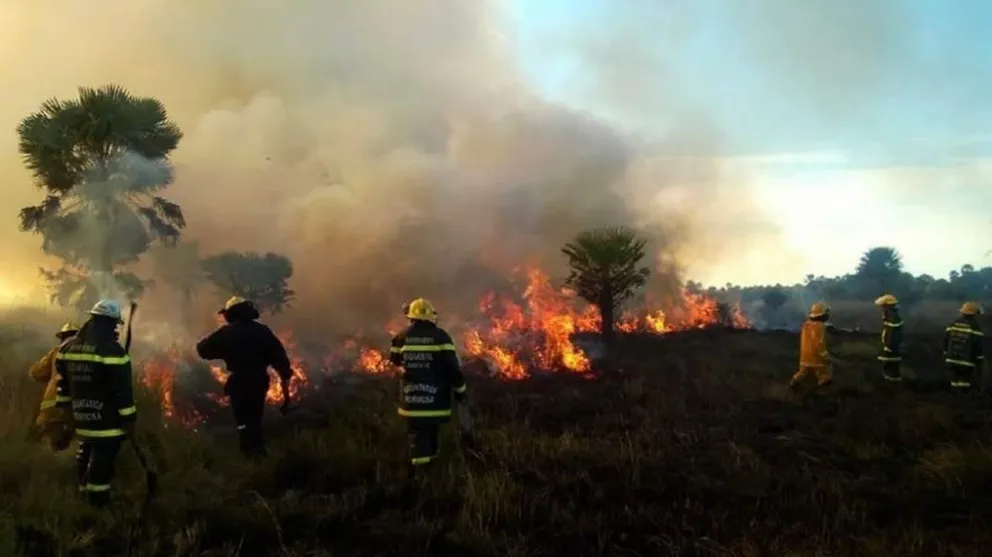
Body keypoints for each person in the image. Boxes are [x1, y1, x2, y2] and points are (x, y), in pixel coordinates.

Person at [54, 300, 135, 507]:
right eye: (114, 324)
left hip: (80, 417)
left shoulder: (66, 347)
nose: (115, 329)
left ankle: (83, 494)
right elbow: (123, 391)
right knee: (103, 457)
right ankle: (98, 502)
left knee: (85, 449)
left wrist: (65, 411)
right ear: (109, 323)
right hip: (106, 420)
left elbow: (62, 384)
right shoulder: (112, 351)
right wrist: (129, 418)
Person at [196, 296, 293, 457]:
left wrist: (212, 348)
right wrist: (285, 380)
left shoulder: (226, 333)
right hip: (259, 381)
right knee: (255, 416)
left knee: (242, 420)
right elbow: (280, 358)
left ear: (231, 313)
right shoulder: (262, 331)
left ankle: (250, 451)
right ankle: (257, 451)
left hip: (240, 383)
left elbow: (204, 350)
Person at [389, 298, 474, 481]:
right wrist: (461, 391)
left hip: (411, 401)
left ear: (411, 317)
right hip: (435, 402)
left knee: (417, 437)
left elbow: (394, 360)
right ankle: (423, 477)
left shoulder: (401, 337)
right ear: (431, 317)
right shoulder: (441, 337)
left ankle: (423, 474)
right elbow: (453, 369)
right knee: (430, 435)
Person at [30, 321, 79, 452]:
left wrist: (50, 376)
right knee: (73, 451)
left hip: (51, 411)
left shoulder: (56, 352)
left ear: (62, 337)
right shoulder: (88, 354)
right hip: (76, 412)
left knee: (50, 450)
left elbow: (36, 372)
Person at [943, 301, 985, 390]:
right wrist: (979, 358)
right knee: (964, 381)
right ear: (974, 314)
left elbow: (946, 339)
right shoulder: (975, 327)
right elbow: (978, 345)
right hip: (966, 360)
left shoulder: (954, 323)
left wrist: (946, 352)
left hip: (952, 359)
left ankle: (955, 394)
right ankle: (962, 395)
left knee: (955, 378)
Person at [790, 302, 833, 389]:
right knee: (824, 372)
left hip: (805, 356)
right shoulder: (820, 326)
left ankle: (794, 383)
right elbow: (819, 342)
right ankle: (822, 388)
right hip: (816, 356)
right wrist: (825, 354)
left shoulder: (805, 325)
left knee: (802, 372)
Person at [874, 294, 904, 383]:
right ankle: (890, 379)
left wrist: (889, 345)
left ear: (887, 305)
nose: (881, 307)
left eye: (883, 305)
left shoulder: (892, 317)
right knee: (889, 363)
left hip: (891, 346)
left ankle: (892, 380)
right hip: (890, 345)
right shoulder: (890, 315)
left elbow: (892, 333)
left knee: (891, 364)